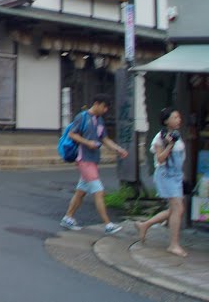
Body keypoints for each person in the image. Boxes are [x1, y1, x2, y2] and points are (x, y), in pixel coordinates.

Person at [59, 93, 129, 234]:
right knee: (98, 191)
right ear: (96, 103)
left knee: (81, 192)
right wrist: (87, 143)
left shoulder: (100, 120)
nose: (105, 110)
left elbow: (104, 138)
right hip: (84, 159)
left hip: (92, 160)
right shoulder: (83, 117)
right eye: (104, 106)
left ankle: (68, 217)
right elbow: (72, 134)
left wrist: (118, 149)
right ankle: (108, 224)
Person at [135, 108, 188, 257]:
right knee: (178, 209)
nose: (179, 119)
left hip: (176, 176)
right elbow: (160, 159)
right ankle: (173, 245)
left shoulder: (177, 135)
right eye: (175, 117)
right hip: (166, 176)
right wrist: (169, 145)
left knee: (174, 210)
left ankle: (144, 225)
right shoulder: (160, 137)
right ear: (166, 121)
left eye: (179, 117)